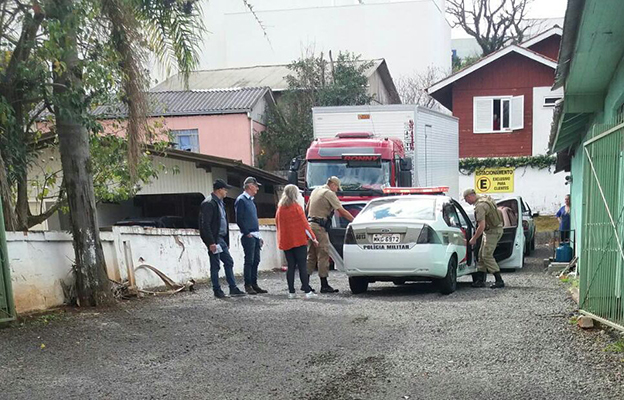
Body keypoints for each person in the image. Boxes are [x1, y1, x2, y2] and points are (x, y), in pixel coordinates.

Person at [199, 179, 246, 299]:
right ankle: (217, 290)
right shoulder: (209, 203)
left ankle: (232, 287)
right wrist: (211, 242)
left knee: (228, 262)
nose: (226, 192)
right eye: (225, 189)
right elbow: (205, 225)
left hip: (221, 239)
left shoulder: (219, 203)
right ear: (219, 190)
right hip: (215, 239)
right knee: (215, 265)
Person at [306, 176, 354, 293]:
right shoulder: (329, 193)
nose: (337, 190)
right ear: (333, 184)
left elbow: (307, 208)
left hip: (310, 225)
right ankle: (324, 285)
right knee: (323, 254)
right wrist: (355, 220)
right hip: (320, 227)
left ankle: (305, 283)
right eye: (337, 187)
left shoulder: (315, 191)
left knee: (311, 255)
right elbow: (341, 210)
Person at [276, 185, 319, 299]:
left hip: (286, 241)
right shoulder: (296, 207)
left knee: (290, 266)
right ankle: (306, 290)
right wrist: (313, 238)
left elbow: (278, 224)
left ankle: (291, 291)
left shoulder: (280, 208)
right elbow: (305, 225)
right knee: (302, 266)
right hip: (299, 240)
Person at [463, 188, 505, 289]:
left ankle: (499, 280)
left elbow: (481, 226)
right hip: (492, 230)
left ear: (470, 196)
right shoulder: (485, 199)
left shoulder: (480, 206)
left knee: (487, 255)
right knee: (481, 255)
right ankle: (480, 280)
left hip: (492, 232)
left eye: (466, 199)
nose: (466, 201)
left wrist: (473, 238)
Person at [235, 176, 268, 295]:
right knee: (249, 260)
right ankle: (248, 284)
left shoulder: (250, 201)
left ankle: (254, 283)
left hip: (255, 234)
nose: (257, 189)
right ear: (249, 186)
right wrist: (246, 232)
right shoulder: (242, 200)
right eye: (255, 186)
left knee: (256, 260)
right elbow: (239, 218)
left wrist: (258, 236)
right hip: (249, 235)